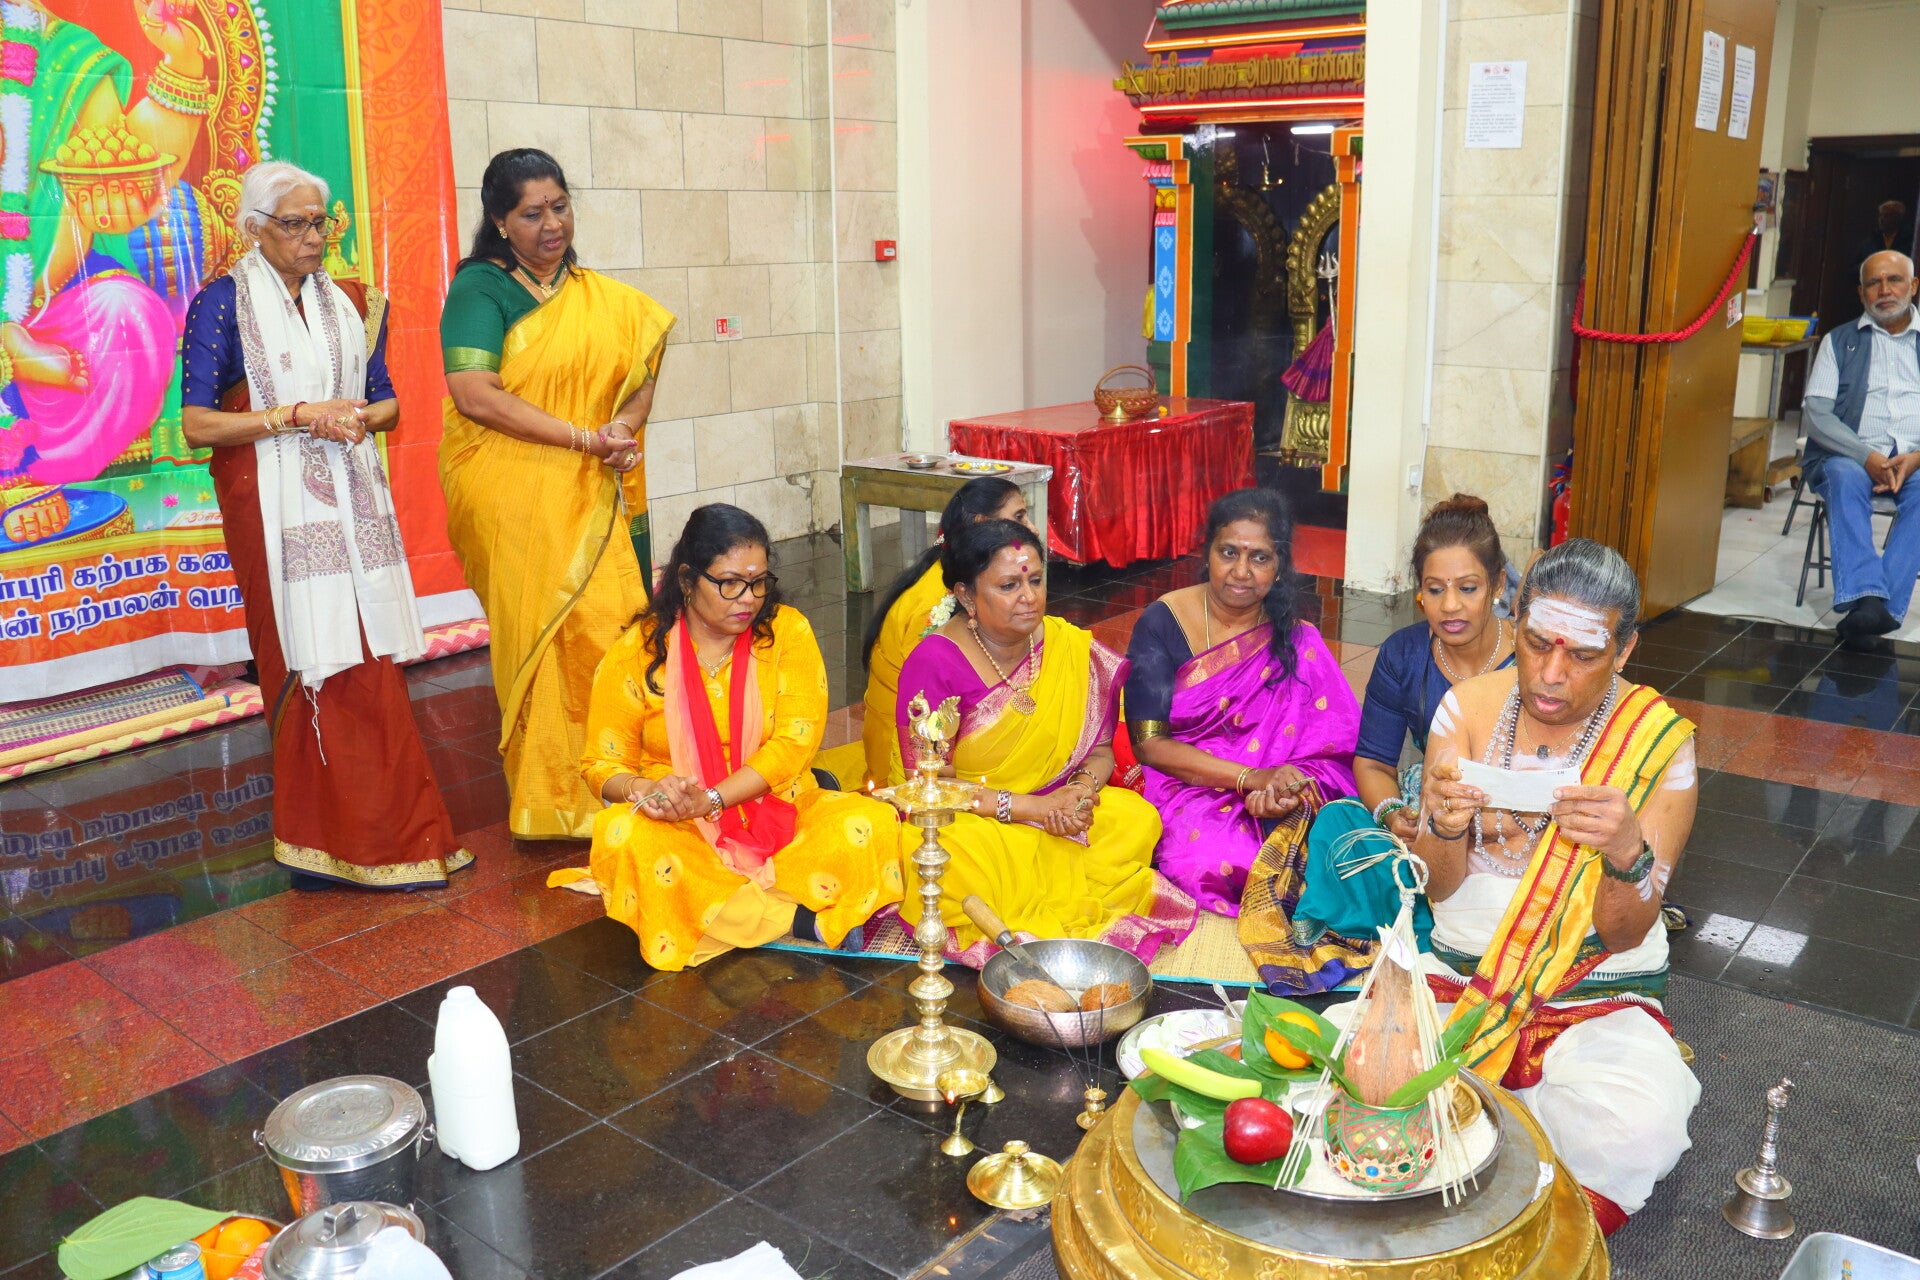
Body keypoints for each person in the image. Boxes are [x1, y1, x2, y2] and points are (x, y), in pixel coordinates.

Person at [180, 161, 468, 889]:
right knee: (302, 658)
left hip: (352, 507)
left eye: (321, 222)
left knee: (367, 662)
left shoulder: (352, 303)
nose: (313, 237)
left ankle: (394, 834)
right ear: (255, 229)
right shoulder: (221, 304)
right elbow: (198, 425)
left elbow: (387, 404)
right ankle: (318, 841)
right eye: (296, 224)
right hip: (270, 515)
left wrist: (353, 417)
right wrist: (298, 415)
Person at [1415, 538, 1700, 1235]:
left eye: (1583, 655)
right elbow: (1439, 891)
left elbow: (1627, 933)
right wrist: (1445, 827)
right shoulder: (1464, 711)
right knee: (1359, 1072)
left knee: (1637, 1129)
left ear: (1624, 652)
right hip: (1462, 977)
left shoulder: (1656, 743)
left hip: (1594, 993)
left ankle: (1497, 1164)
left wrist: (1626, 853)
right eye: (1537, 643)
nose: (1549, 674)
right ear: (1515, 625)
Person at [439, 149, 676, 838]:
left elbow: (639, 376)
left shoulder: (596, 296)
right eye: (532, 214)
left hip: (593, 482)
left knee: (616, 628)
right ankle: (555, 796)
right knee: (548, 637)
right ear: (499, 221)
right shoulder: (481, 290)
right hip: (512, 490)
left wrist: (619, 429)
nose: (552, 225)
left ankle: (624, 776)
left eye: (560, 207)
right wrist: (581, 439)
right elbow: (474, 394)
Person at [564, 504, 905, 972]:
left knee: (873, 823)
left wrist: (713, 799)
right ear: (687, 580)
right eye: (729, 584)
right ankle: (798, 919)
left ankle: (721, 912)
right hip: (678, 822)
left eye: (759, 582)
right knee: (622, 836)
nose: (748, 599)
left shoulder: (786, 633)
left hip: (778, 804)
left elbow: (794, 745)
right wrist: (648, 791)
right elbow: (600, 765)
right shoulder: (636, 653)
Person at [893, 519, 1197, 963]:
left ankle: (1045, 876)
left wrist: (1079, 793)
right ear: (966, 595)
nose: (1029, 597)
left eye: (1035, 580)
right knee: (945, 857)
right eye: (1009, 585)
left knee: (1136, 818)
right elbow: (931, 787)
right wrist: (1032, 810)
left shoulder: (1063, 643)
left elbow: (1100, 752)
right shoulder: (934, 663)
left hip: (1059, 815)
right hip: (979, 824)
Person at [1259, 496, 1520, 989]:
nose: (1450, 606)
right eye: (1435, 589)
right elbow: (1374, 763)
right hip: (1429, 824)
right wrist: (1393, 814)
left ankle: (1429, 920)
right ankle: (1438, 922)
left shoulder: (1530, 657)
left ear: (1497, 584)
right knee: (1336, 824)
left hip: (1513, 828)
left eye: (1467, 588)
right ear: (1419, 591)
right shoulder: (1404, 653)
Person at [1123, 488, 1358, 924]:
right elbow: (1149, 745)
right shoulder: (1165, 620)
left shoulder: (1297, 638)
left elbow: (1334, 747)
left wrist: (1284, 789)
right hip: (1187, 779)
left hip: (1275, 785)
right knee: (1218, 862)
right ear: (1207, 553)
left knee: (1341, 847)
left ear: (1279, 566)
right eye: (1228, 552)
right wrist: (1249, 778)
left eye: (1259, 557)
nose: (1241, 572)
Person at [815, 477, 1037, 792]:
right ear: (981, 525)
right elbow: (927, 720)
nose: (1032, 529)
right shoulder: (934, 606)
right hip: (912, 759)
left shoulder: (960, 575)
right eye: (1018, 518)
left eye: (1036, 582)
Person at [1801, 249, 1920, 647]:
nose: (1884, 290)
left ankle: (1875, 609)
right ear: (1861, 292)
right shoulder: (1839, 341)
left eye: (1894, 280)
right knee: (1843, 474)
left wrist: (1916, 458)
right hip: (1851, 456)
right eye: (1874, 283)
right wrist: (1866, 456)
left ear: (1913, 286)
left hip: (1916, 459)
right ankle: (1870, 599)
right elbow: (1818, 415)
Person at [1853, 200, 1911, 277]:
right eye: (1881, 215)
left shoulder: (1910, 242)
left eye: (1887, 215)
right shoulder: (1870, 242)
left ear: (1898, 218)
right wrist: (1868, 266)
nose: (1882, 219)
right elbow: (1852, 270)